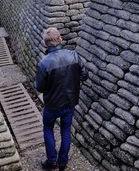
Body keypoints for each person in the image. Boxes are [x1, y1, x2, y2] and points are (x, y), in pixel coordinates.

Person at [35, 28, 88, 171]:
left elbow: (39, 87)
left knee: (48, 129)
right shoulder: (74, 55)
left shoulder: (44, 63)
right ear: (60, 39)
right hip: (70, 102)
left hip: (52, 104)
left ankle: (51, 161)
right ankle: (63, 163)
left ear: (46, 44)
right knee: (65, 130)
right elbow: (84, 76)